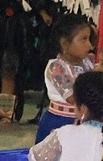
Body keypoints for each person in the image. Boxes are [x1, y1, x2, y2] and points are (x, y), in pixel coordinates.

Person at [38, 14, 98, 143]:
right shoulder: (56, 67)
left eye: (89, 39)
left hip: (85, 121)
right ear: (65, 44)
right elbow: (73, 98)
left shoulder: (89, 62)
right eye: (83, 39)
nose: (89, 45)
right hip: (60, 122)